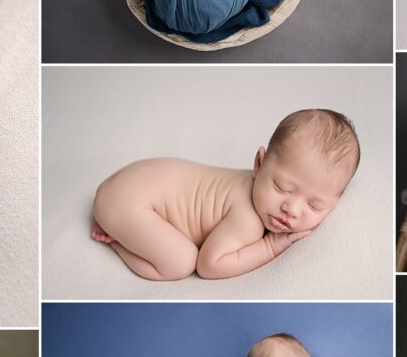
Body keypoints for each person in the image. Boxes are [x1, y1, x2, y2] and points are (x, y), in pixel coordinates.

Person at [91, 108, 360, 280]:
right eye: (282, 188)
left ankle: (122, 229)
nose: (292, 209)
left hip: (134, 181)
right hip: (128, 202)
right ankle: (116, 240)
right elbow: (210, 265)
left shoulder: (258, 187)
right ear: (259, 164)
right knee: (181, 263)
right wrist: (271, 245)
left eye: (315, 205)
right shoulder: (248, 220)